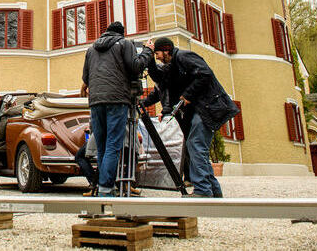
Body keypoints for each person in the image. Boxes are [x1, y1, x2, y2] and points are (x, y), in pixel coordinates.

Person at [146, 37, 239, 198]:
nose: (157, 57)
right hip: (200, 110)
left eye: (158, 53)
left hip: (207, 107)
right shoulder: (171, 66)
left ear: (167, 50)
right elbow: (160, 79)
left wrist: (187, 95)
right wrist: (148, 57)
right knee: (196, 147)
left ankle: (203, 190)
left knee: (196, 145)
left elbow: (205, 74)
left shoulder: (184, 57)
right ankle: (213, 190)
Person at [82, 21, 154, 197]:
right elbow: (136, 67)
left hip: (96, 101)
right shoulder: (124, 43)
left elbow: (86, 77)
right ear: (121, 33)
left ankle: (102, 187)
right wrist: (148, 50)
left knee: (102, 147)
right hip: (117, 99)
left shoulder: (91, 49)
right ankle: (106, 189)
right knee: (113, 145)